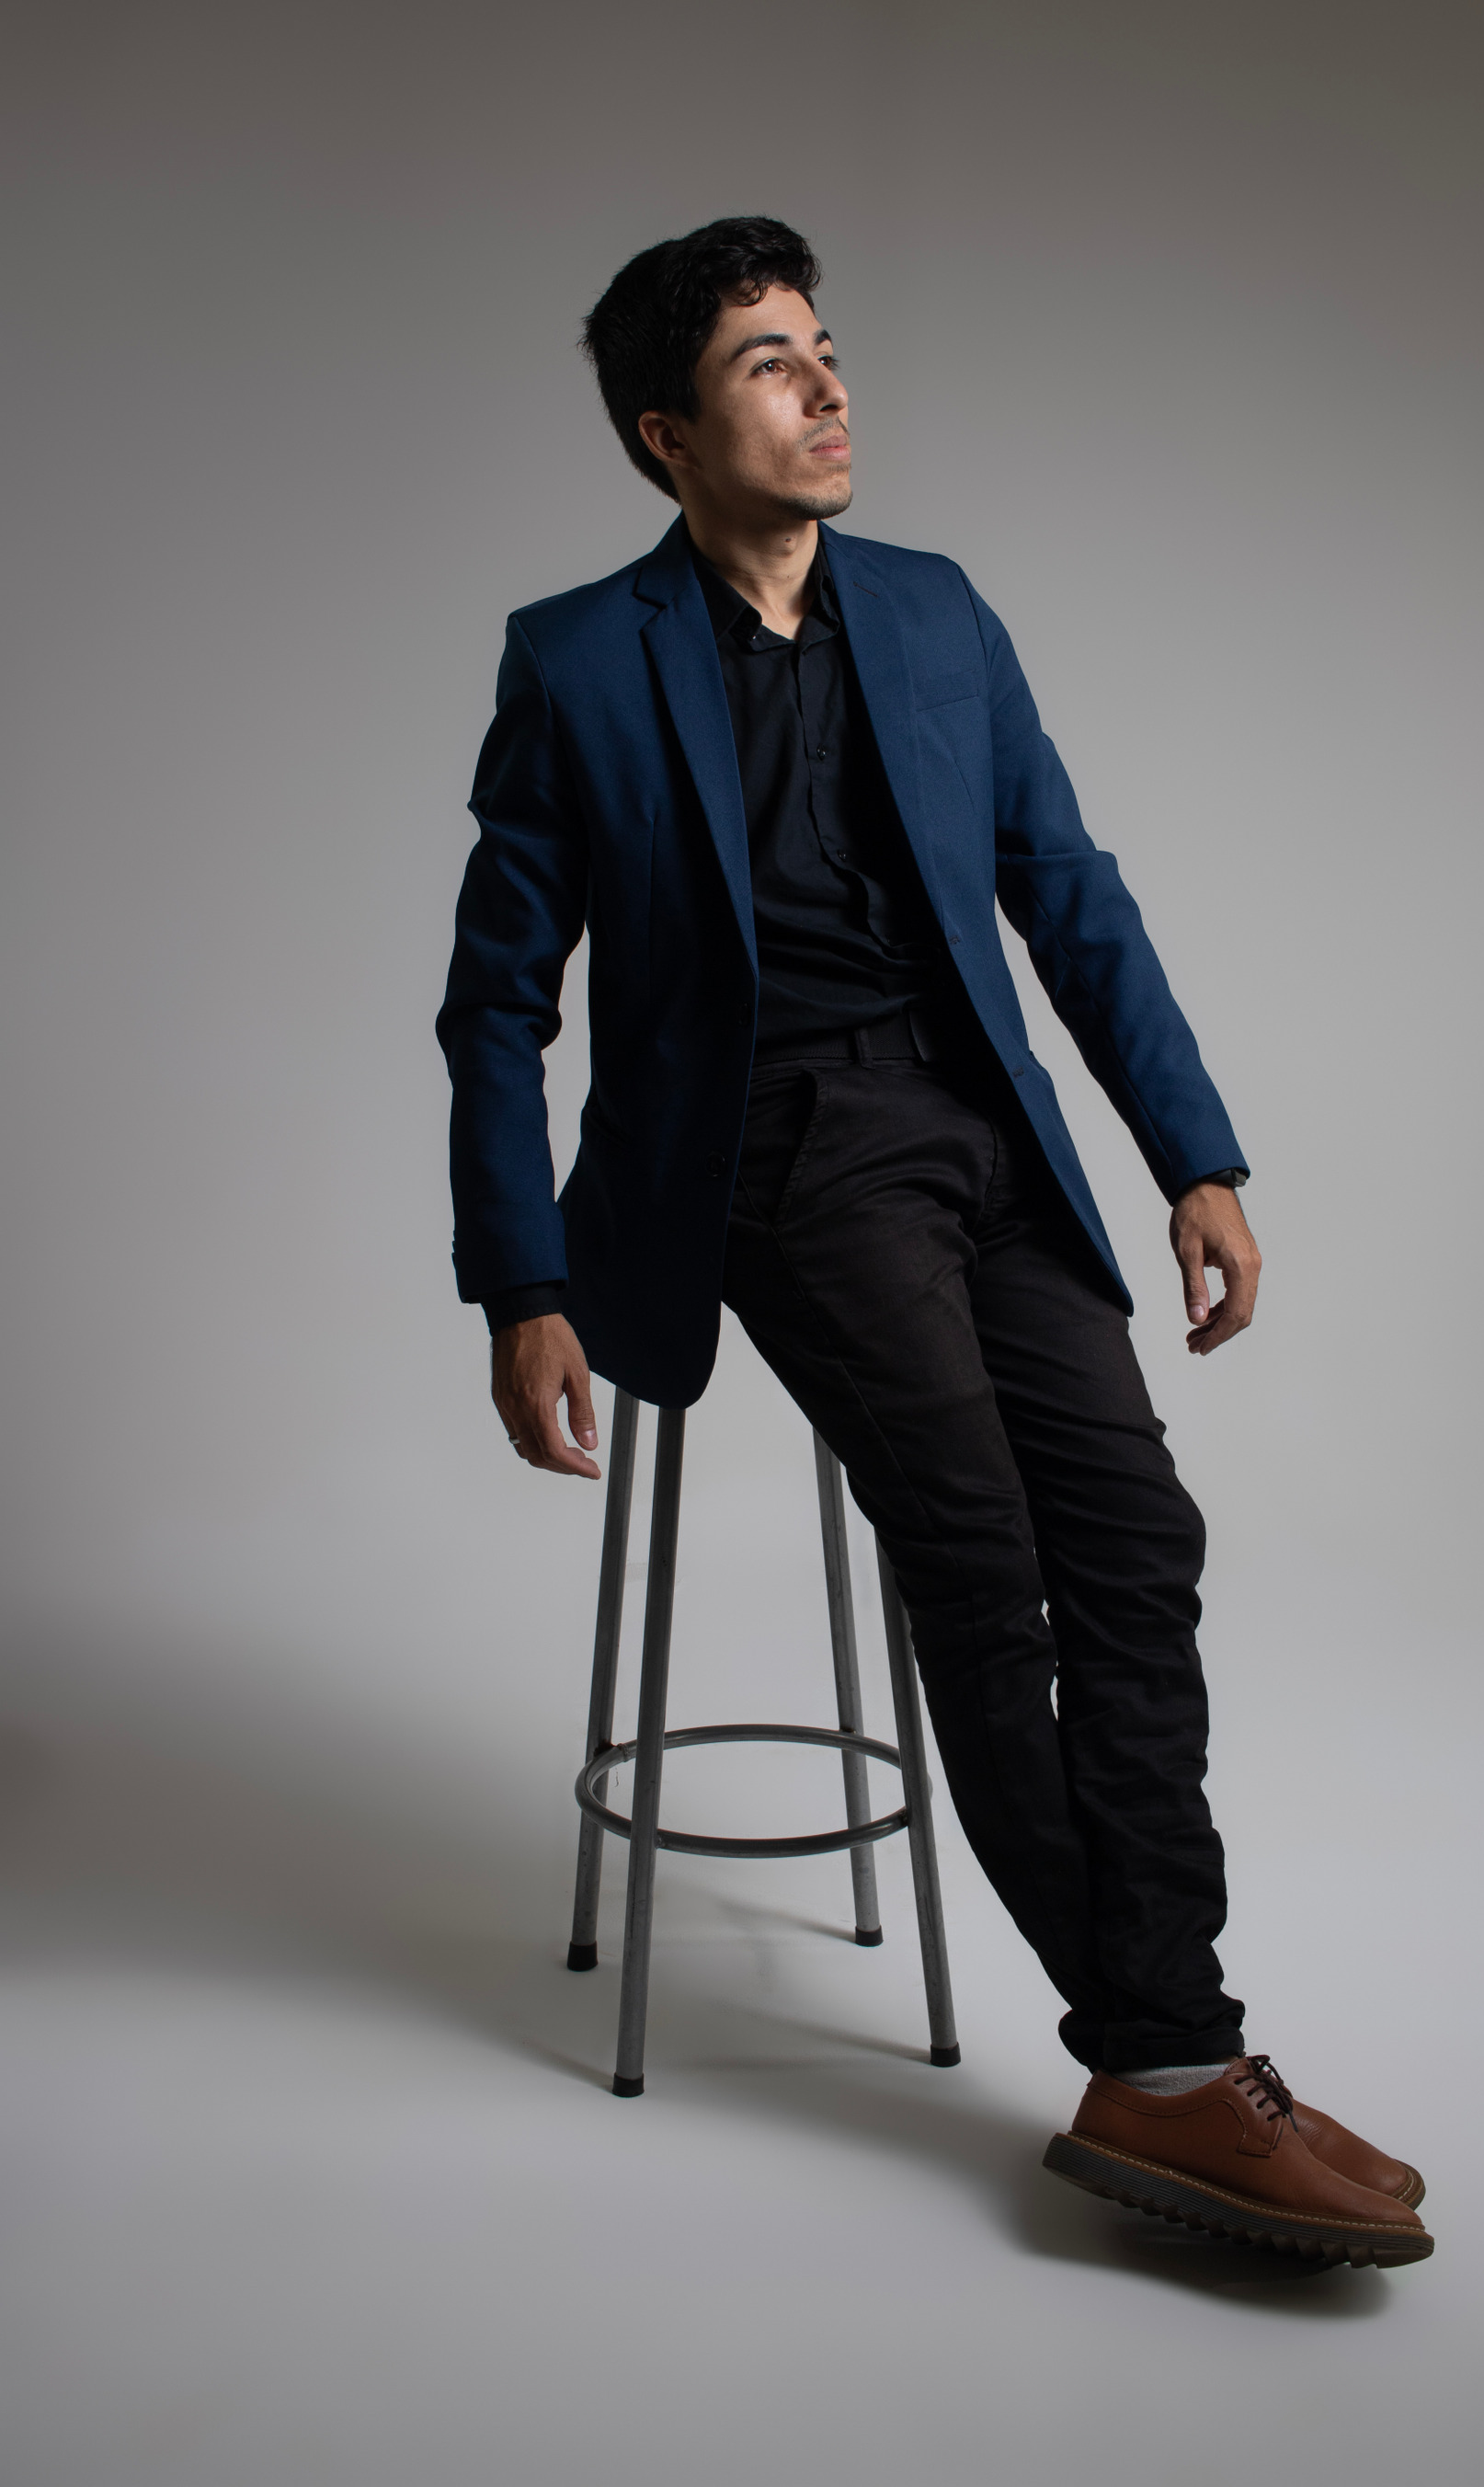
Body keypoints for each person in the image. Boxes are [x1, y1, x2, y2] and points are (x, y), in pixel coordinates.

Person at [437, 216, 1432, 2270]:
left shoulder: (936, 608)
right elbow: (498, 1002)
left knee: (1137, 1541)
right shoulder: (580, 657)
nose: (825, 388)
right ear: (666, 433)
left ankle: (1174, 2049)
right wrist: (523, 1280)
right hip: (780, 1158)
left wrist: (1193, 1154)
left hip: (983, 1133)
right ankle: (1175, 2057)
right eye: (766, 364)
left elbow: (1067, 886)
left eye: (826, 348)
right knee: (982, 1562)